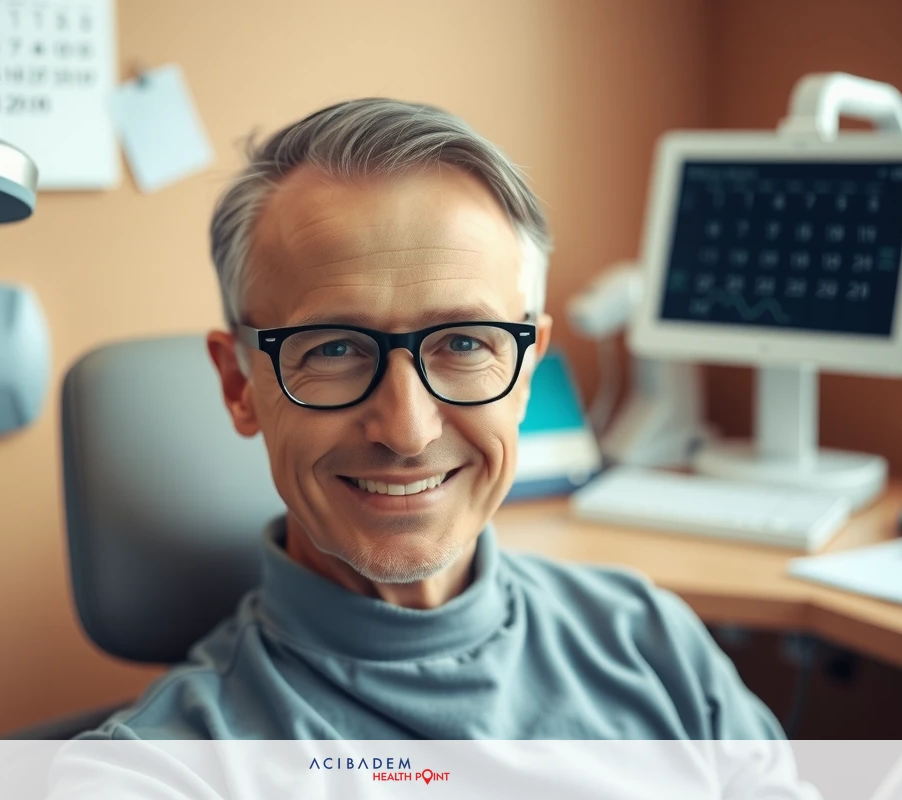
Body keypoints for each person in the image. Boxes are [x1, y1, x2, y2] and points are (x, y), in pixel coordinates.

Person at [75, 98, 785, 742]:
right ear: (240, 386)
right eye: (334, 349)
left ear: (525, 371)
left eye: (465, 344)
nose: (407, 430)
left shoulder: (654, 644)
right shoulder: (167, 767)